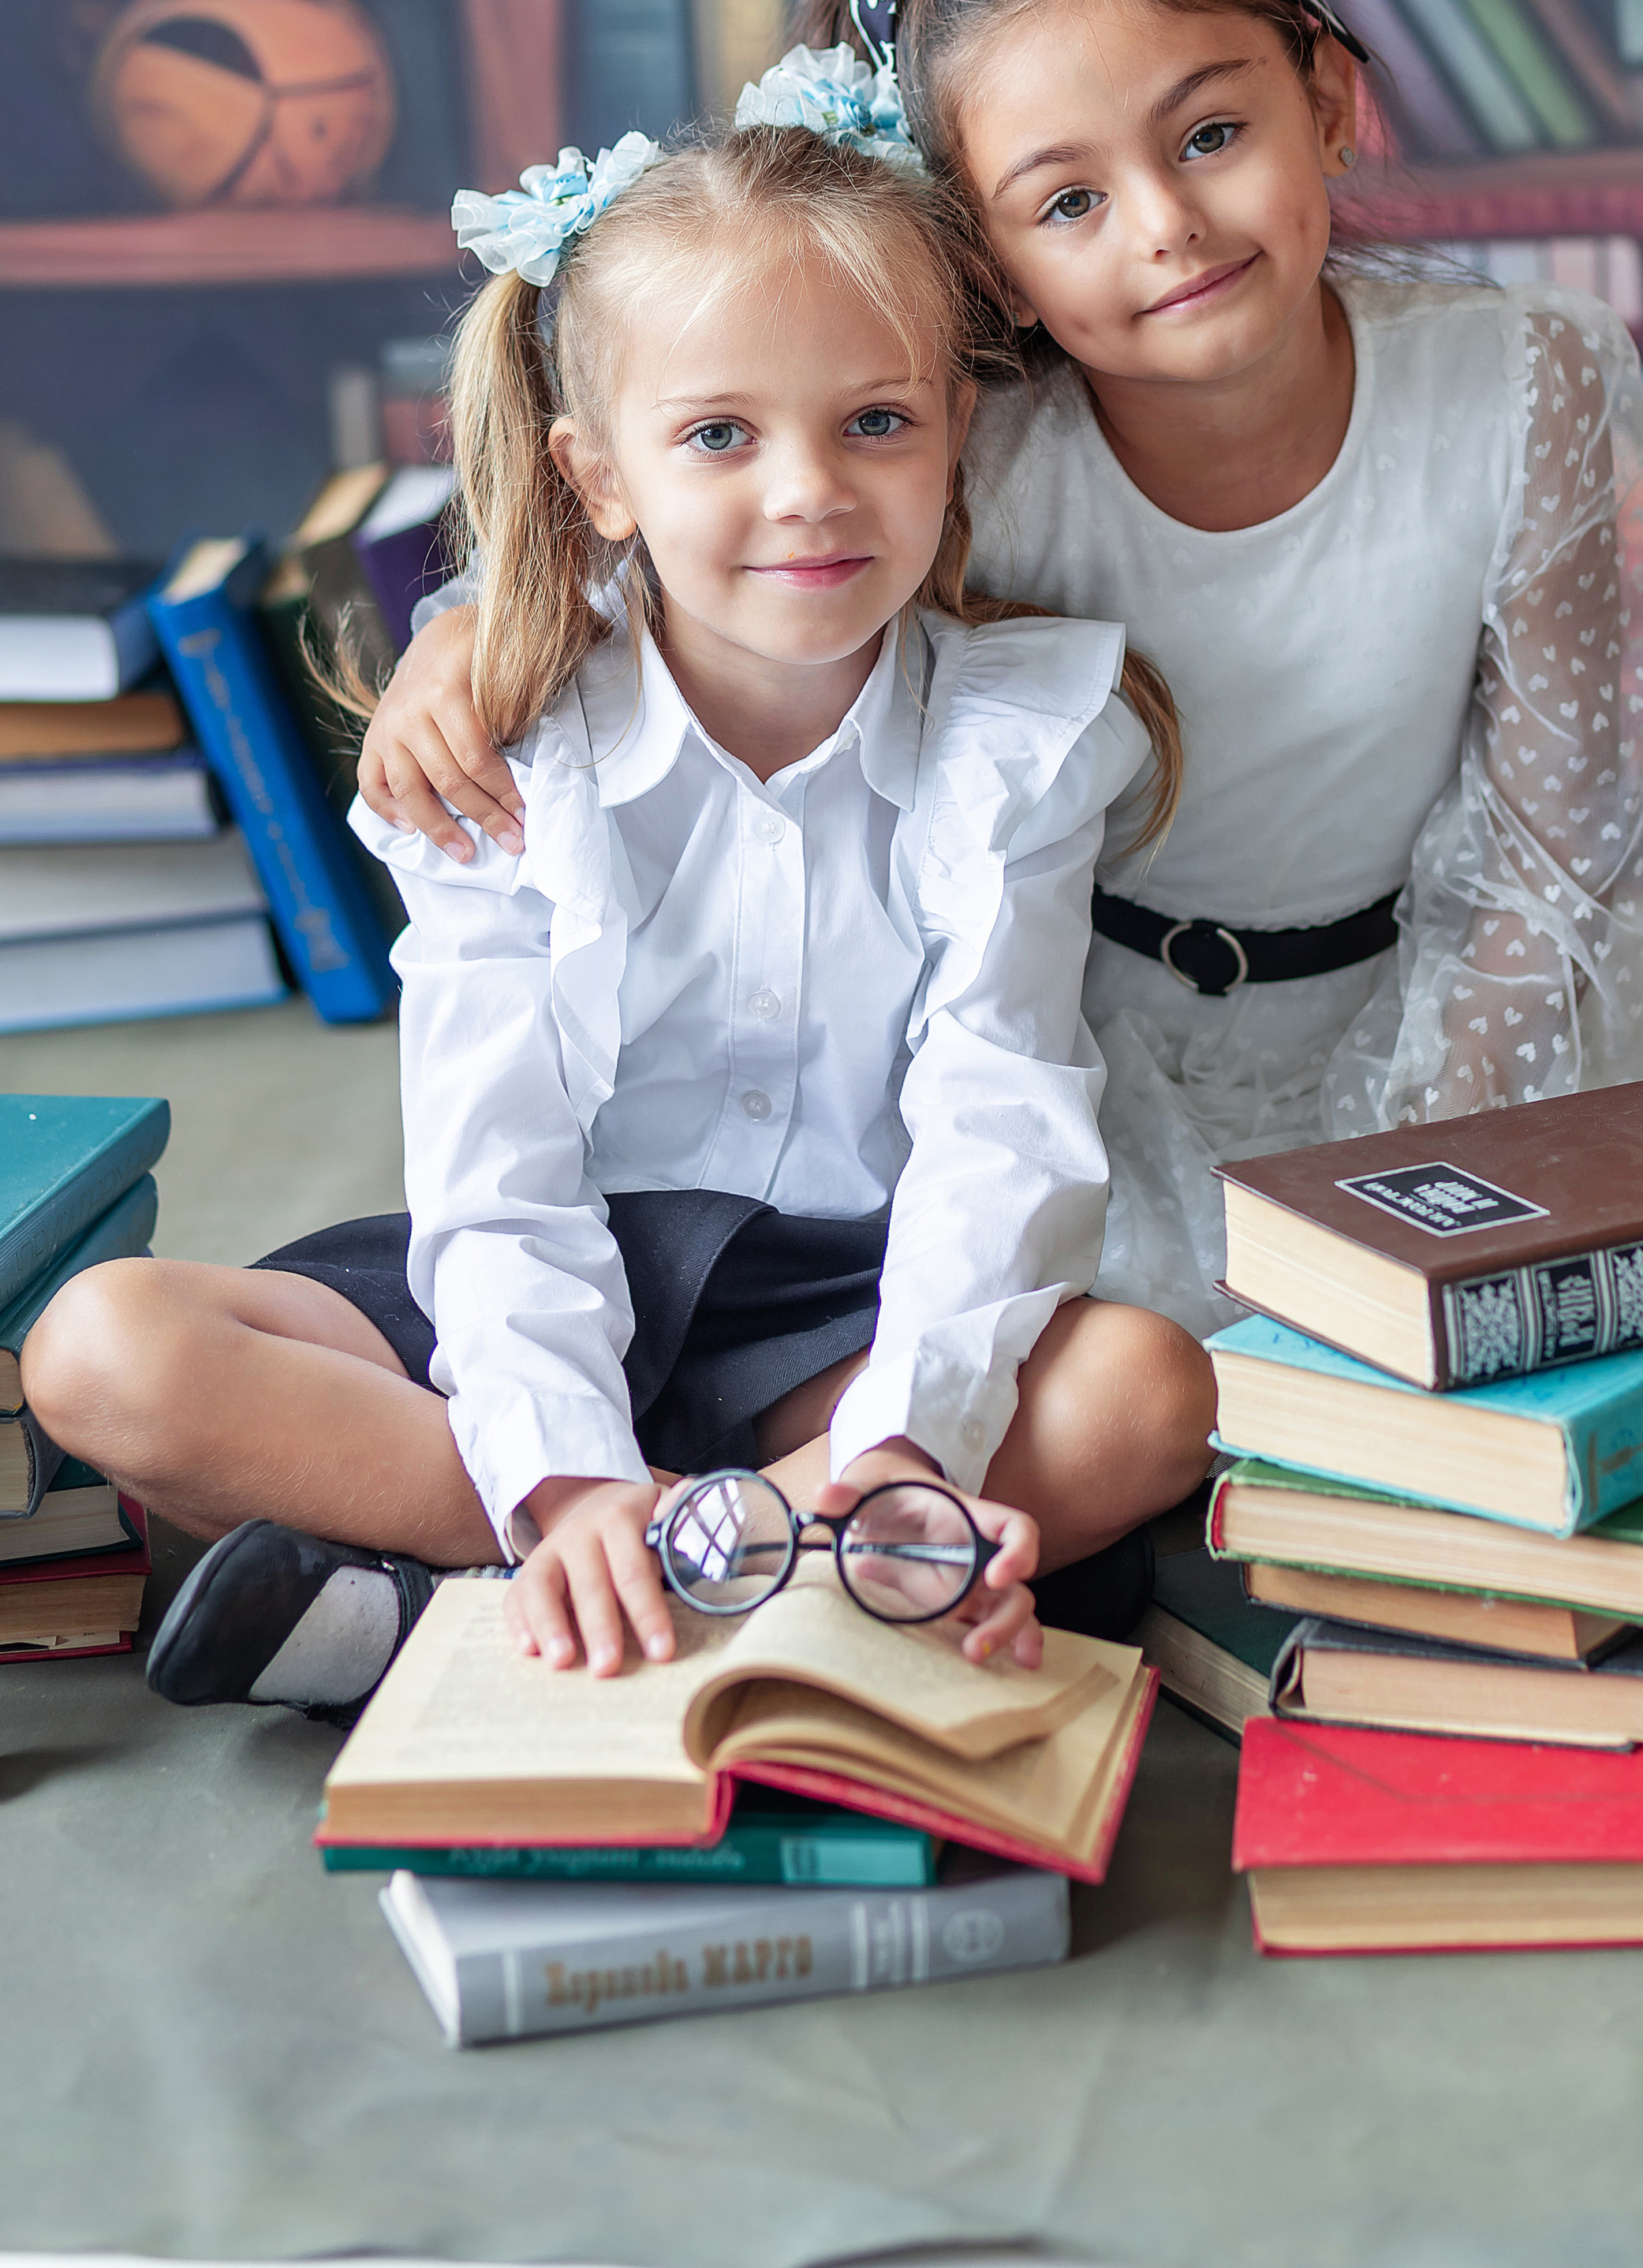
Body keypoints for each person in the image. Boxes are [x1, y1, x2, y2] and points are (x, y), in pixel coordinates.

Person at [356, 0, 1643, 1345]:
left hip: (1424, 1028)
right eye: (1066, 202)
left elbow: (1556, 852)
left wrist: (1418, 1192)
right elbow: (721, 531)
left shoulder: (1529, 379)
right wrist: (470, 638)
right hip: (1055, 1044)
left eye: (1207, 137)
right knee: (1115, 1402)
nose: (1166, 224)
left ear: (1324, 98)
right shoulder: (968, 439)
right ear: (979, 264)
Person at [23, 107, 1215, 1719]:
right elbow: (494, 1167)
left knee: (1144, 1390)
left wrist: (904, 1439)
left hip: (836, 1318)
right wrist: (563, 1474)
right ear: (596, 475)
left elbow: (996, 1114)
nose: (808, 493)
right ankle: (676, 1566)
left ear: (955, 435)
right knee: (104, 1348)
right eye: (719, 435)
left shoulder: (1016, 742)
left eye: (873, 421)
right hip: (526, 1280)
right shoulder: (508, 742)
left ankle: (464, 1605)